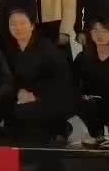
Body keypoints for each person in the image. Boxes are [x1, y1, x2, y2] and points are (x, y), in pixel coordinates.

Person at [6, 10, 74, 144]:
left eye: (22, 23)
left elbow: (60, 80)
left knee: (23, 113)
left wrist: (35, 95)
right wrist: (19, 91)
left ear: (32, 26)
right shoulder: (10, 48)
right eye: (13, 24)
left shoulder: (46, 47)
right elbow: (10, 78)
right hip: (23, 96)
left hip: (50, 96)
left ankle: (59, 127)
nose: (18, 27)